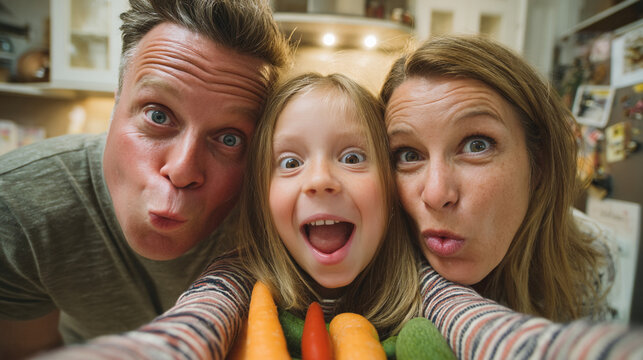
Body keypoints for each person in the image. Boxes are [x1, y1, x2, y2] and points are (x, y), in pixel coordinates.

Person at [35, 72, 423, 359]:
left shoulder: (428, 286)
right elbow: (191, 327)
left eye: (352, 158)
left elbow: (479, 330)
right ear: (260, 198)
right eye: (289, 162)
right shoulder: (238, 279)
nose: (320, 181)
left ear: (392, 187)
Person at [0, 0, 290, 358]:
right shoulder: (21, 204)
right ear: (115, 104)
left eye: (229, 138)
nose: (183, 170)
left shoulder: (277, 219)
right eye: (158, 115)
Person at [381, 34, 615, 322]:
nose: (436, 193)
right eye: (408, 155)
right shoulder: (373, 280)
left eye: (476, 145)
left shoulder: (594, 255)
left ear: (538, 162)